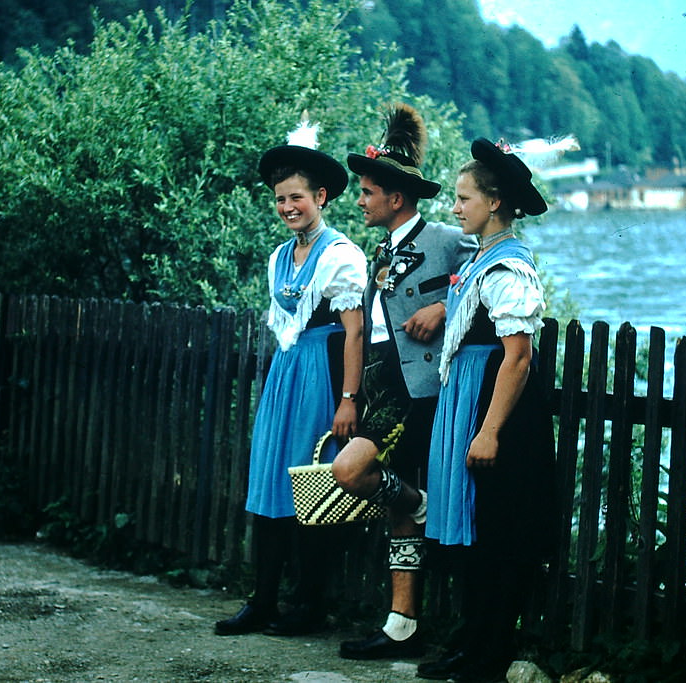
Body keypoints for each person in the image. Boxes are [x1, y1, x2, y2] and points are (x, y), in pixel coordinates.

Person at [331, 103, 476, 660]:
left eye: (367, 192)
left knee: (351, 471)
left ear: (395, 197)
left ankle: (418, 511)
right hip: (383, 388)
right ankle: (402, 625)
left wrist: (443, 304)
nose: (361, 200)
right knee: (399, 508)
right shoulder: (379, 250)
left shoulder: (444, 237)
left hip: (424, 394)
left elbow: (492, 267)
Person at [215, 120, 366, 637]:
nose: (287, 208)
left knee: (312, 487)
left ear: (320, 196)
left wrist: (347, 399)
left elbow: (355, 332)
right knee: (271, 485)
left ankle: (309, 604)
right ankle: (262, 601)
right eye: (280, 199)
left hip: (322, 377)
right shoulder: (281, 257)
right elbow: (283, 325)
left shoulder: (341, 255)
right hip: (286, 373)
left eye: (296, 197)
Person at [416, 138, 558, 682]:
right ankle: (470, 642)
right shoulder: (481, 261)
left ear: (494, 203)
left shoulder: (508, 268)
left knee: (497, 529)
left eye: (463, 198)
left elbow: (517, 358)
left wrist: (490, 430)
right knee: (472, 529)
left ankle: (489, 652)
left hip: (494, 402)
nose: (455, 208)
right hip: (468, 396)